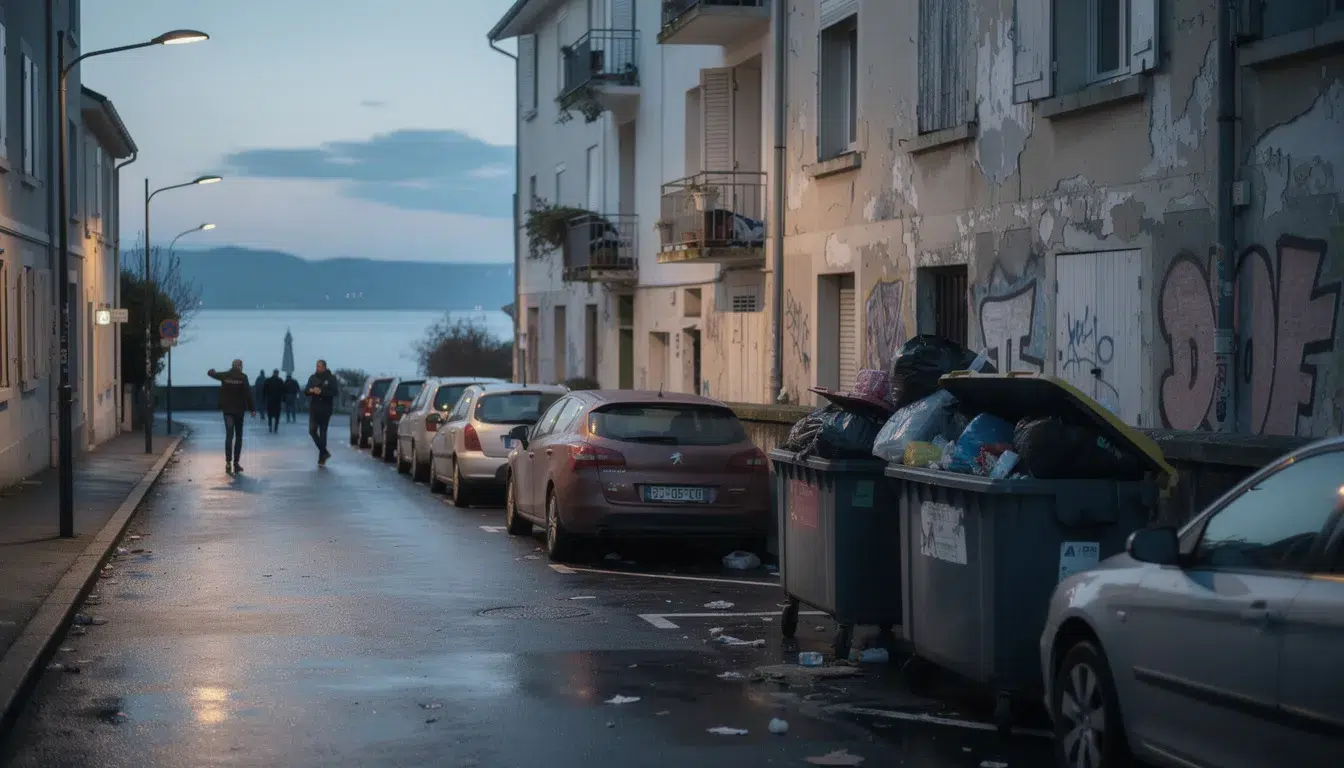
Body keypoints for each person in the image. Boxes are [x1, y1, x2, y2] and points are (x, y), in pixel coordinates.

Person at [207, 359, 256, 474]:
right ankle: (236, 463)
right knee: (238, 437)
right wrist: (252, 409)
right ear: (240, 366)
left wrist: (212, 371)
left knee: (229, 436)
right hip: (239, 411)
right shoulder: (243, 377)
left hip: (227, 411)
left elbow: (212, 374)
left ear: (232, 366)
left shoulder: (225, 375)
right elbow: (248, 393)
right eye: (241, 365)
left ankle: (228, 462)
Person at [305, 359, 340, 466]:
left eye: (320, 366)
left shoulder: (331, 378)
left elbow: (334, 392)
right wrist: (311, 390)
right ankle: (324, 451)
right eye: (317, 366)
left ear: (324, 367)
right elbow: (306, 390)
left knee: (323, 432)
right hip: (314, 408)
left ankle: (321, 458)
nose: (318, 368)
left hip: (325, 408)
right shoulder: (312, 377)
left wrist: (322, 392)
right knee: (312, 430)